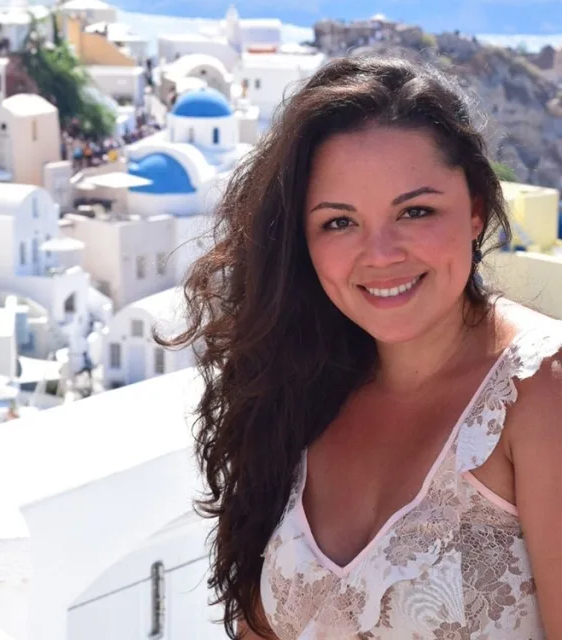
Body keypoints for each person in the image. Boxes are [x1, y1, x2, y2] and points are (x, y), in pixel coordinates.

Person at [163, 55, 562, 638]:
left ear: (475, 210)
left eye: (415, 211)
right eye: (339, 222)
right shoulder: (297, 388)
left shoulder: (539, 392)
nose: (380, 254)